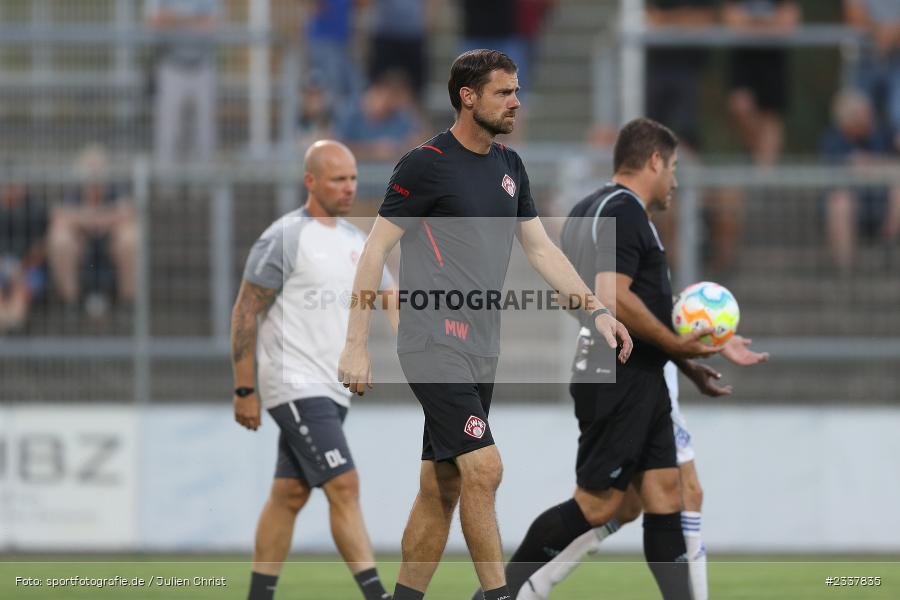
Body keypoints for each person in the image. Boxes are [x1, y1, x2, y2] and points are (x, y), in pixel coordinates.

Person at [337, 49, 632, 600]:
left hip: (481, 347)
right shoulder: (425, 164)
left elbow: (541, 250)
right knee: (485, 468)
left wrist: (595, 310)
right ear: (468, 98)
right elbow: (374, 251)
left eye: (517, 90)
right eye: (504, 92)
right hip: (432, 341)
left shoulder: (510, 167)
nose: (516, 101)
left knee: (442, 484)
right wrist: (356, 345)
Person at [480, 118, 728, 600]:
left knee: (664, 495)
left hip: (630, 370)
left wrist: (684, 363)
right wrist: (677, 345)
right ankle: (499, 593)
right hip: (620, 373)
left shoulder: (586, 209)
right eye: (673, 167)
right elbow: (613, 296)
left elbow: (573, 296)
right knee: (596, 504)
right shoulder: (626, 211)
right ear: (653, 161)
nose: (675, 180)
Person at [232, 140, 396, 600]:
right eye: (338, 179)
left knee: (289, 494)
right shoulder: (285, 238)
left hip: (333, 388)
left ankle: (258, 595)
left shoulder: (356, 241)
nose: (349, 188)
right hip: (294, 382)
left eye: (353, 178)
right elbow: (245, 311)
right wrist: (244, 388)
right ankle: (377, 594)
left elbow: (390, 295)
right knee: (345, 483)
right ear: (310, 181)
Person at [47, 145, 137, 315]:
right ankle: (70, 302)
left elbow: (129, 212)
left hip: (110, 246)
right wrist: (99, 218)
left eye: (98, 169)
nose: (94, 174)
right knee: (60, 238)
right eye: (89, 169)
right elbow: (58, 215)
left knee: (130, 237)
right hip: (82, 248)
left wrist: (87, 218)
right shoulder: (72, 192)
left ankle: (128, 301)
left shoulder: (116, 190)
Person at [821, 89, 900, 272]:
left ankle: (887, 249)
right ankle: (845, 272)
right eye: (864, 114)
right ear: (848, 119)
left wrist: (872, 165)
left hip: (882, 204)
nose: (870, 118)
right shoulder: (832, 140)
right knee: (839, 203)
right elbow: (849, 168)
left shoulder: (883, 133)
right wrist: (884, 167)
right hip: (853, 206)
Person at [723, 0, 800, 167]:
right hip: (743, 59)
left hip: (773, 59)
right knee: (740, 106)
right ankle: (759, 161)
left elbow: (788, 23)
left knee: (771, 118)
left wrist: (751, 25)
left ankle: (764, 172)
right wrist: (770, 25)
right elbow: (733, 22)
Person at [146, 0, 220, 166]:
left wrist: (175, 19)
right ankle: (167, 181)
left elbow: (211, 25)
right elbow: (156, 22)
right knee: (169, 132)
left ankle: (202, 180)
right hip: (171, 66)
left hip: (202, 67)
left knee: (203, 133)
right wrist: (193, 19)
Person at [336, 72, 424, 161]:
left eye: (389, 97)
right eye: (379, 94)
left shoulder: (400, 117)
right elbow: (338, 148)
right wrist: (372, 150)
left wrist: (410, 109)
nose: (382, 101)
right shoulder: (351, 115)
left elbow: (420, 144)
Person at [845, 0, 900, 139]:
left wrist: (892, 32)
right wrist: (881, 31)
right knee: (855, 117)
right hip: (863, 61)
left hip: (897, 60)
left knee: (897, 115)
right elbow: (854, 16)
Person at [0, 177, 47, 333]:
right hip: (3, 266)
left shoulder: (36, 210)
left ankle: (13, 326)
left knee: (21, 290)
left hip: (28, 267)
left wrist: (22, 268)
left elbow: (42, 247)